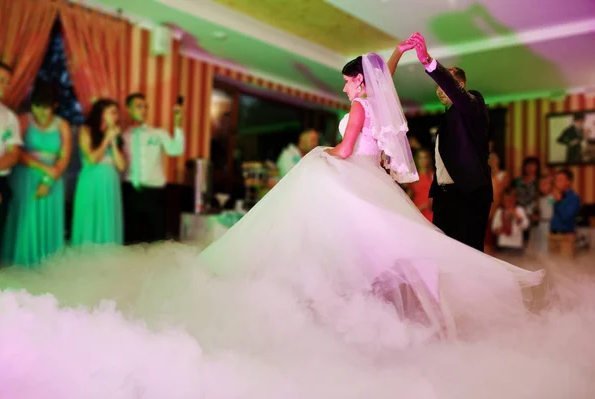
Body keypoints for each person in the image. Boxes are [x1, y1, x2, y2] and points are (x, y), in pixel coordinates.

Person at [196, 51, 543, 339]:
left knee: (340, 237)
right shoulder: (378, 105)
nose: (344, 86)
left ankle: (334, 306)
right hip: (375, 179)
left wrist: (319, 152)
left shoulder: (371, 106)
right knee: (386, 246)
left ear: (359, 81)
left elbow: (346, 150)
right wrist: (396, 53)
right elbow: (382, 79)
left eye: (348, 80)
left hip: (367, 177)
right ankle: (368, 308)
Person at [398, 33, 493, 252]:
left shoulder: (474, 103)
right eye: (438, 86)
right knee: (443, 255)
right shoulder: (448, 119)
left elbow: (459, 96)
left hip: (469, 194)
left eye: (445, 84)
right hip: (444, 196)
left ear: (461, 85)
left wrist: (428, 62)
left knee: (468, 255)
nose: (439, 89)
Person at [0, 82, 71, 267]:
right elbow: (16, 152)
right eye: (37, 106)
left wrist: (49, 179)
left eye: (46, 107)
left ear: (54, 106)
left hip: (52, 180)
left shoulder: (62, 125)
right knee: (25, 219)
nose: (41, 111)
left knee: (47, 221)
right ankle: (20, 263)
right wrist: (43, 168)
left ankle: (46, 264)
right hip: (25, 177)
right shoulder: (23, 120)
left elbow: (64, 157)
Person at [122, 93, 184, 244]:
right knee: (131, 240)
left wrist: (177, 123)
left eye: (145, 107)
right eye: (138, 106)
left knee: (156, 240)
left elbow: (175, 150)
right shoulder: (123, 135)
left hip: (155, 193)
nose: (143, 110)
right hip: (130, 191)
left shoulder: (158, 133)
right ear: (128, 109)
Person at [71, 99, 125, 246]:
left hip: (110, 182)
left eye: (117, 113)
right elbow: (92, 158)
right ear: (101, 113)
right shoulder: (86, 130)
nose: (116, 116)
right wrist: (107, 139)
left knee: (107, 218)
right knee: (90, 217)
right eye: (113, 112)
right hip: (91, 180)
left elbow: (121, 165)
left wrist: (114, 141)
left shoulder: (116, 135)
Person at [0, 61, 21, 268]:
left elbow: (14, 154)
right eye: (1, 80)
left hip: (0, 181)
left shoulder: (8, 116)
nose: (5, 85)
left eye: (8, 82)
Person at [550, 169, 580, 235]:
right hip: (553, 233)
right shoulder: (556, 195)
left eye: (560, 180)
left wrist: (559, 201)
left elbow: (566, 216)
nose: (557, 182)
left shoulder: (574, 198)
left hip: (566, 235)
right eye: (556, 180)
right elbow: (548, 208)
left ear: (568, 182)